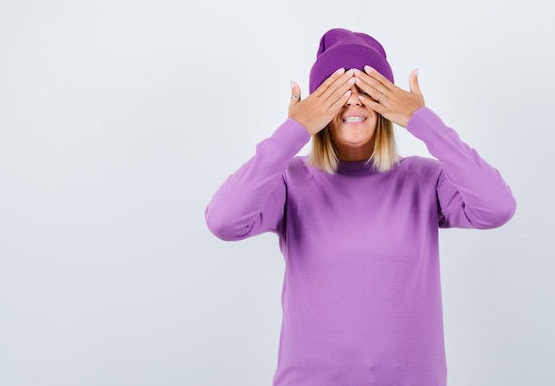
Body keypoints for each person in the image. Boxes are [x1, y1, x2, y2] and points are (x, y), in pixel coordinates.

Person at [205, 28, 516, 386]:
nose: (353, 102)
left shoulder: (423, 180)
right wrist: (293, 131)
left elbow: (498, 207)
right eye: (337, 93)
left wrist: (424, 122)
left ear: (386, 104)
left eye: (366, 90)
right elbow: (223, 221)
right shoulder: (291, 182)